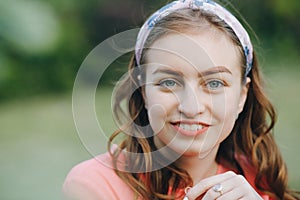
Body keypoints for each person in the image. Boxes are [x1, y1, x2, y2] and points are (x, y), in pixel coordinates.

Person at [63, 0, 300, 199]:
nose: (191, 107)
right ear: (144, 92)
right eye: (168, 82)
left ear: (242, 96)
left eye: (214, 83)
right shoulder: (95, 185)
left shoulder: (258, 178)